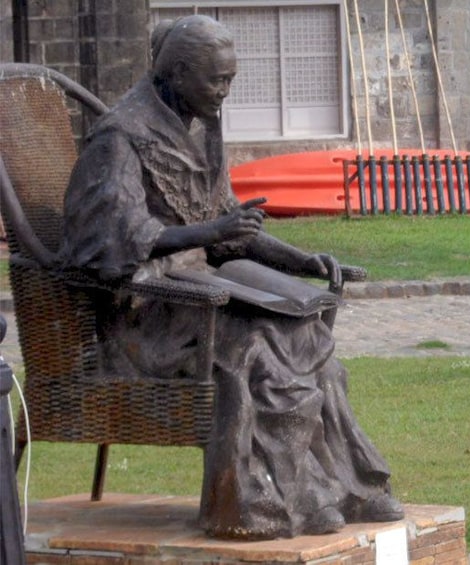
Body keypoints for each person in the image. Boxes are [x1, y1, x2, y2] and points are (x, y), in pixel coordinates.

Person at [58, 14, 403, 540]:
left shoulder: (200, 127)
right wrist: (208, 230)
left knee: (309, 341)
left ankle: (344, 487)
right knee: (257, 347)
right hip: (143, 316)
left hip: (199, 298)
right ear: (175, 74)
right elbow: (111, 242)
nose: (225, 91)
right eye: (216, 80)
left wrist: (301, 260)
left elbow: (230, 229)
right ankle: (263, 503)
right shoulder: (119, 138)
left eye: (230, 78)